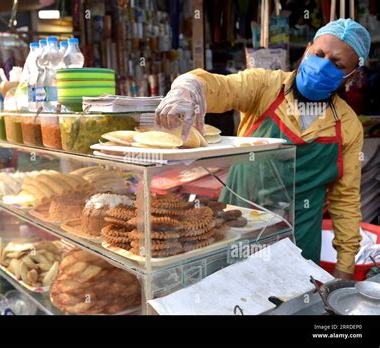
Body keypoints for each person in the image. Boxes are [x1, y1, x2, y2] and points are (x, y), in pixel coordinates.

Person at [155, 19, 371, 280]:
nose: (323, 65)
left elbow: (345, 200)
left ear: (352, 75)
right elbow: (225, 88)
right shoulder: (265, 87)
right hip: (236, 230)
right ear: (307, 49)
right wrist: (191, 86)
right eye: (319, 54)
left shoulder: (347, 126)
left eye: (337, 65)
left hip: (299, 245)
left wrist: (345, 267)